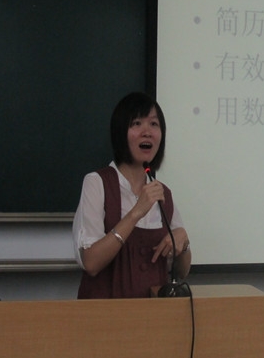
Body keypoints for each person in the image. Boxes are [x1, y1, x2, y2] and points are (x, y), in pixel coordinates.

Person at [72, 92, 191, 298]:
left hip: (153, 314)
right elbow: (91, 263)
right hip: (105, 312)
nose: (147, 132)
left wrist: (184, 243)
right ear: (120, 133)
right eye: (137, 123)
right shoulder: (97, 183)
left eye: (154, 124)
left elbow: (181, 272)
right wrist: (136, 212)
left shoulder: (163, 194)